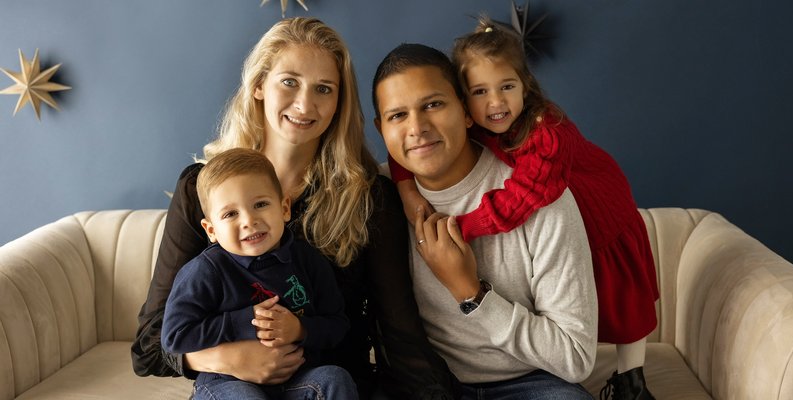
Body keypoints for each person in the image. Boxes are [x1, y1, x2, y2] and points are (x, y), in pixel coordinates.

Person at [132, 17, 459, 400]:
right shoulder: (200, 189)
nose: (305, 104)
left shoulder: (369, 197)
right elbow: (150, 345)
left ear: (339, 103)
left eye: (324, 88)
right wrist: (227, 359)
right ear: (258, 87)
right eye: (289, 82)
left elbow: (399, 333)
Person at [387, 20, 660, 399]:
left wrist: (462, 243)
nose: (495, 103)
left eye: (507, 87)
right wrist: (404, 189)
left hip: (601, 211)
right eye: (480, 92)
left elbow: (521, 199)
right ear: (469, 103)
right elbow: (405, 141)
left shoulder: (546, 143)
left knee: (626, 304)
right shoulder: (464, 132)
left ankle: (633, 383)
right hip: (433, 380)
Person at [373, 42, 598, 399]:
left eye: (433, 104)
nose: (417, 128)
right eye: (398, 116)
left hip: (529, 382)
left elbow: (576, 357)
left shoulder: (539, 196)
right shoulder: (378, 199)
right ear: (381, 129)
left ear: (466, 110)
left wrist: (471, 293)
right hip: (426, 383)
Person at [161, 148, 356, 399]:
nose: (249, 221)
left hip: (297, 383)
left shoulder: (308, 260)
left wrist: (299, 329)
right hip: (227, 384)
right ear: (211, 230)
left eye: (260, 204)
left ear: (284, 208)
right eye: (231, 214)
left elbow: (337, 325)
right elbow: (175, 337)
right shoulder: (205, 271)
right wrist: (241, 322)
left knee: (334, 378)